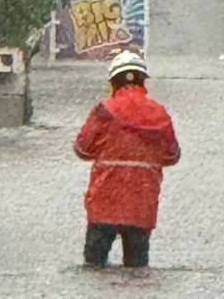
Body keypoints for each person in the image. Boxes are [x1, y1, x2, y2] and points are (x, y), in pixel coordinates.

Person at [73, 50, 181, 268]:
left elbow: (82, 149)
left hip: (105, 203)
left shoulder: (104, 111)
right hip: (141, 205)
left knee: (93, 268)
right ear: (143, 81)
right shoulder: (159, 113)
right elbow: (172, 155)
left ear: (113, 82)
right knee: (137, 269)